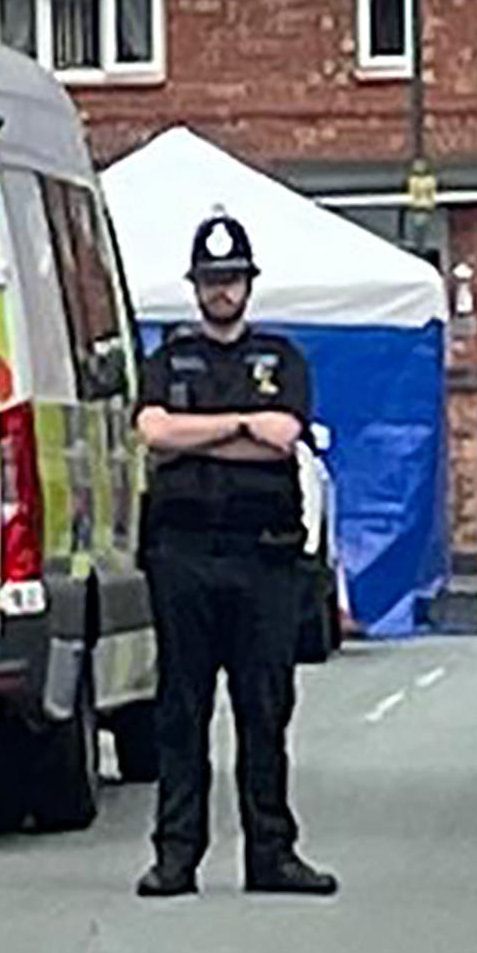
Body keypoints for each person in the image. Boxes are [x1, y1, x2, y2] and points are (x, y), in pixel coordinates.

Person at [131, 210, 339, 900]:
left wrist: (208, 434)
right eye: (212, 279)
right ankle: (176, 856)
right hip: (183, 554)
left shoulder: (281, 359)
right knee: (180, 712)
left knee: (264, 709)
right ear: (195, 286)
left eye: (232, 279)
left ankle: (272, 854)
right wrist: (239, 424)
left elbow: (283, 435)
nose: (222, 290)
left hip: (265, 558)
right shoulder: (168, 359)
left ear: (249, 284)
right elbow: (155, 432)